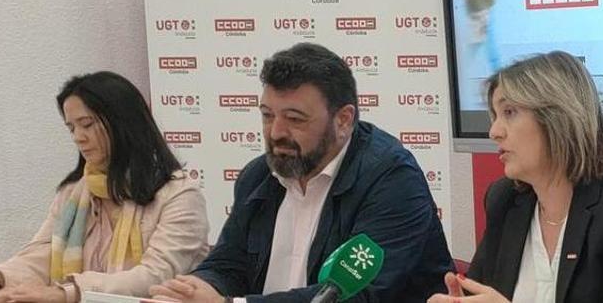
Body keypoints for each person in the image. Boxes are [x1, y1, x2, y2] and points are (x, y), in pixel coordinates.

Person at [149, 43, 452, 303]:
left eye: (294, 118)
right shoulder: (260, 176)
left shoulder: (391, 179)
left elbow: (356, 296)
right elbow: (229, 264)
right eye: (267, 116)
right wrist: (198, 287)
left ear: (344, 120)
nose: (276, 132)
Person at [429, 51, 603, 303]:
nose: (494, 132)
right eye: (494, 116)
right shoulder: (504, 199)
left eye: (509, 112)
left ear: (557, 117)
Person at [0, 72, 208, 303]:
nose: (78, 137)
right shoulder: (73, 193)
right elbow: (43, 253)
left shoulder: (179, 195)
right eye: (71, 128)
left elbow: (155, 276)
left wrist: (69, 292)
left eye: (86, 124)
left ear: (123, 122)